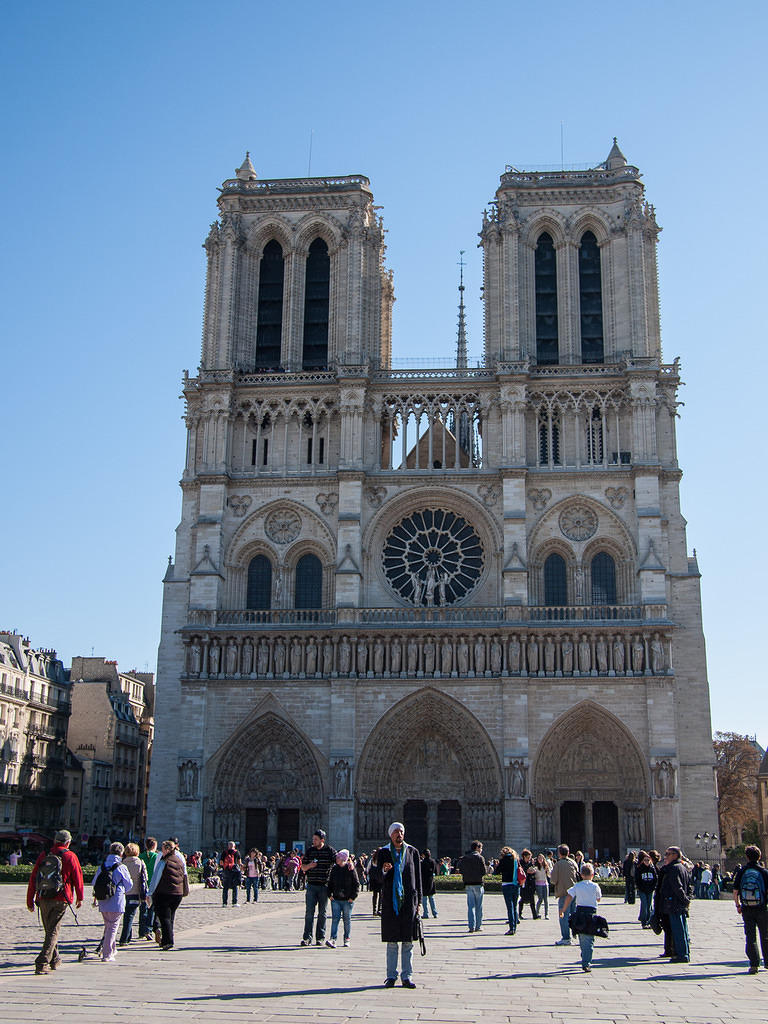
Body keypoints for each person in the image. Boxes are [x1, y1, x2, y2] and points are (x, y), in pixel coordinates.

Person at [26, 828, 84, 974]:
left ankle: (55, 959)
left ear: (55, 841)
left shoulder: (44, 855)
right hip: (61, 898)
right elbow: (78, 878)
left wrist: (30, 899)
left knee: (50, 930)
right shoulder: (70, 856)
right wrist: (80, 897)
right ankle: (42, 962)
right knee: (53, 931)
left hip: (43, 897)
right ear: (68, 842)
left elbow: (33, 878)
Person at [379, 821, 422, 988]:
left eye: (401, 831)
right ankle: (391, 976)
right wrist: (384, 870)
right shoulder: (383, 852)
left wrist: (419, 902)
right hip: (391, 901)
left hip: (409, 902)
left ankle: (407, 976)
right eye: (396, 832)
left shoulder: (413, 852)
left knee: (408, 940)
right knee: (391, 941)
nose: (399, 834)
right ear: (391, 835)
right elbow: (375, 876)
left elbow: (417, 879)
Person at [93, 841, 132, 963]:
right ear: (121, 853)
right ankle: (107, 954)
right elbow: (129, 884)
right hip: (117, 900)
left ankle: (113, 949)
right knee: (112, 928)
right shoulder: (121, 867)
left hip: (103, 900)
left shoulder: (103, 865)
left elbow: (94, 882)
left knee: (108, 926)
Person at [559, 861, 602, 972]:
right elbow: (598, 898)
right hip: (591, 913)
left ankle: (584, 955)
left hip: (580, 913)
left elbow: (569, 896)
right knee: (590, 938)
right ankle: (586, 962)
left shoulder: (577, 886)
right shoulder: (595, 886)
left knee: (582, 936)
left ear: (581, 875)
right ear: (592, 875)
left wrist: (563, 909)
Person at [147, 838, 189, 950]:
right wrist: (185, 890)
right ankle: (167, 938)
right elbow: (185, 876)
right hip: (177, 894)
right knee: (170, 917)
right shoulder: (180, 860)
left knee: (164, 918)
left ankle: (167, 941)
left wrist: (150, 893)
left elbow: (155, 878)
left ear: (167, 849)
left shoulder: (163, 861)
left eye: (163, 848)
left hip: (164, 893)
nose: (161, 851)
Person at [732, 844, 768, 974]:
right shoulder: (764, 872)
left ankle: (754, 965)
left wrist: (738, 905)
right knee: (765, 935)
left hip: (747, 908)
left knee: (750, 937)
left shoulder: (742, 871)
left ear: (747, 857)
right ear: (760, 856)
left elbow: (735, 891)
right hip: (762, 908)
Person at [300, 829, 337, 946]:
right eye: (313, 839)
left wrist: (349, 862)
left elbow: (339, 860)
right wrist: (310, 865)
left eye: (315, 839)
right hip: (311, 886)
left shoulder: (329, 850)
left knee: (323, 913)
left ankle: (320, 938)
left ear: (322, 840)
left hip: (324, 886)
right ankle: (307, 937)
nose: (313, 841)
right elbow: (303, 868)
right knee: (309, 913)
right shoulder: (310, 851)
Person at [657, 846, 692, 963]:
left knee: (678, 930)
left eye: (668, 854)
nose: (666, 856)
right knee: (683, 929)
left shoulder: (673, 869)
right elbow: (689, 886)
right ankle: (685, 952)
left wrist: (684, 900)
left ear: (675, 855)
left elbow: (677, 887)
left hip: (674, 903)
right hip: (680, 904)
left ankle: (682, 955)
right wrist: (687, 899)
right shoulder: (683, 868)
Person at [326, 848, 359, 947]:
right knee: (335, 919)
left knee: (347, 920)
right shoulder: (335, 869)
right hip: (336, 899)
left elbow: (356, 884)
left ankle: (347, 938)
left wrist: (353, 897)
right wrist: (329, 895)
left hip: (347, 900)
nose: (337, 859)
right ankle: (333, 939)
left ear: (343, 859)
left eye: (339, 858)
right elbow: (330, 882)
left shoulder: (350, 869)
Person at [118, 842, 148, 945]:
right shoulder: (140, 862)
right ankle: (124, 939)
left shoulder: (122, 863)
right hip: (135, 893)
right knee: (130, 915)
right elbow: (145, 878)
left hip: (123, 893)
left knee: (127, 915)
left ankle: (127, 937)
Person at [551, 844, 579, 945]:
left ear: (559, 853)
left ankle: (566, 938)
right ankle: (576, 935)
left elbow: (553, 880)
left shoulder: (558, 864)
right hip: (574, 893)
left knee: (563, 916)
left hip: (564, 894)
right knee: (573, 915)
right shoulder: (573, 863)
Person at [458, 840, 487, 932]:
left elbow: (461, 870)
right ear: (477, 848)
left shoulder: (465, 858)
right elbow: (484, 872)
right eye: (481, 848)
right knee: (479, 906)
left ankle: (471, 926)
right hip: (478, 884)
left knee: (471, 906)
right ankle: (478, 926)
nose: (481, 850)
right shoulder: (480, 858)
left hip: (468, 884)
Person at [495, 846, 520, 935]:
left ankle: (511, 928)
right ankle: (514, 927)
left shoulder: (504, 860)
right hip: (516, 885)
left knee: (510, 907)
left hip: (507, 885)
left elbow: (496, 872)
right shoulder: (516, 860)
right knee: (514, 906)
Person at [138, 837, 160, 938]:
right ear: (155, 846)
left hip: (142, 886)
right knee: (151, 909)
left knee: (143, 910)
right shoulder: (156, 856)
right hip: (153, 886)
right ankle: (148, 929)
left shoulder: (140, 856)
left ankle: (141, 931)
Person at [635, 850, 658, 928]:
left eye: (648, 860)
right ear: (642, 861)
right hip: (642, 890)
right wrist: (640, 888)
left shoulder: (652, 868)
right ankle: (644, 923)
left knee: (649, 906)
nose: (647, 861)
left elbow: (655, 878)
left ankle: (649, 921)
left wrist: (653, 887)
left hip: (650, 890)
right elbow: (637, 879)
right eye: (645, 860)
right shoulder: (639, 869)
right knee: (644, 905)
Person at [219, 841, 242, 907]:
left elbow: (221, 862)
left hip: (226, 871)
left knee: (225, 888)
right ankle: (234, 902)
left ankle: (224, 903)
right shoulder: (237, 852)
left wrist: (225, 867)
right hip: (234, 871)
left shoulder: (224, 852)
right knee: (235, 887)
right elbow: (239, 862)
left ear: (228, 846)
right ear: (234, 846)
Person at [518, 848, 538, 919]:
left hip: (530, 884)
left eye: (529, 857)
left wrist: (533, 870)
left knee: (532, 899)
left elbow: (532, 870)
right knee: (522, 899)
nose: (529, 859)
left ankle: (534, 915)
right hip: (523, 884)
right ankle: (519, 914)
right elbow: (521, 871)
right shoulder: (520, 863)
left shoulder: (529, 863)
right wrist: (527, 871)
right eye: (527, 857)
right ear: (524, 856)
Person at [420, 848, 439, 919]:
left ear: (424, 855)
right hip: (431, 882)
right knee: (431, 898)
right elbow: (436, 872)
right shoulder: (433, 861)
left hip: (424, 882)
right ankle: (435, 913)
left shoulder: (422, 863)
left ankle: (426, 914)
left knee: (424, 900)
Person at [533, 852, 551, 920]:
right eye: (539, 858)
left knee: (546, 900)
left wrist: (548, 871)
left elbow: (549, 875)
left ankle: (546, 914)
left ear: (543, 859)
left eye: (541, 858)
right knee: (540, 899)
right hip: (538, 884)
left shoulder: (546, 866)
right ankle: (536, 912)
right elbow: (533, 872)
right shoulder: (536, 867)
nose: (540, 859)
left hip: (545, 884)